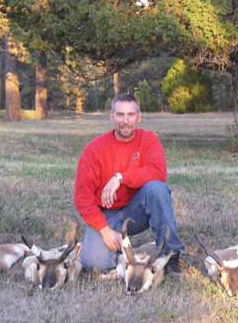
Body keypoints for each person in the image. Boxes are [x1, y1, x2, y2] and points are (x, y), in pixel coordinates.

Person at [74, 93, 184, 275]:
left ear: (138, 117)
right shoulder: (94, 149)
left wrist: (120, 178)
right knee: (95, 265)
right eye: (120, 115)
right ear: (112, 117)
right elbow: (82, 198)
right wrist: (104, 230)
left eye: (130, 115)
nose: (125, 121)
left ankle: (171, 254)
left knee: (157, 189)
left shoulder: (148, 140)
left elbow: (158, 173)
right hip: (106, 216)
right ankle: (119, 249)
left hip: (136, 211)